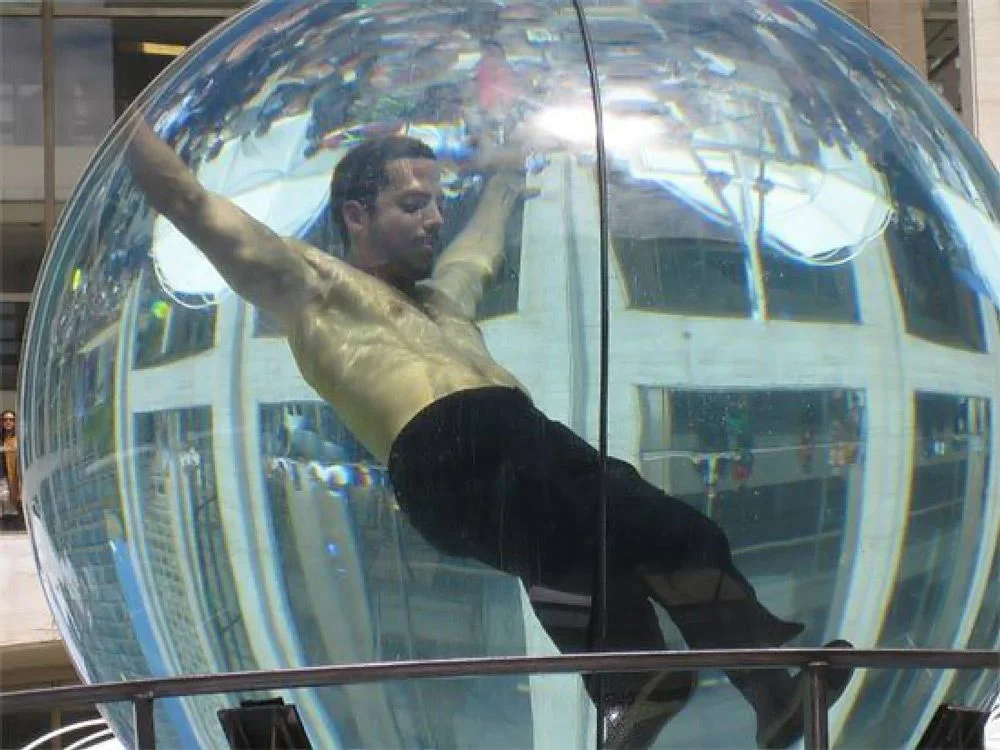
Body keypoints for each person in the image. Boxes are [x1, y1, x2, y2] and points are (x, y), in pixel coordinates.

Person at [127, 120, 852, 749]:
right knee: (588, 538)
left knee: (679, 537)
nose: (434, 219)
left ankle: (756, 693)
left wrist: (505, 175)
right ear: (355, 214)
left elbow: (477, 251)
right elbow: (187, 200)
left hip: (526, 438)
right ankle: (638, 687)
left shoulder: (445, 306)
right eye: (413, 204)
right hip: (445, 451)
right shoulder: (312, 286)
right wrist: (114, 114)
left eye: (439, 203)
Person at [0, 410, 21, 523]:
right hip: (2, 475)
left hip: (12, 476)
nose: (8, 422)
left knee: (10, 501)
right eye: (5, 420)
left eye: (11, 420)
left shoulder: (19, 438)